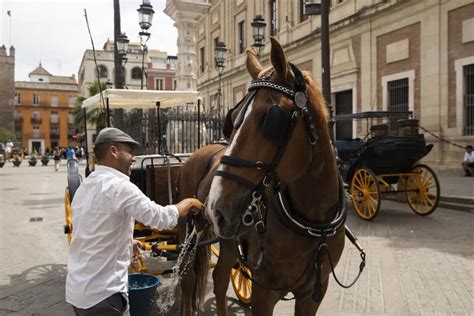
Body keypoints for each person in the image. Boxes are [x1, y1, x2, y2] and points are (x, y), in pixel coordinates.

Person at [65, 127, 204, 315]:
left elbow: (92, 230)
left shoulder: (85, 187)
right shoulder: (120, 187)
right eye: (130, 151)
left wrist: (127, 241)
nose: (134, 157)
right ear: (114, 151)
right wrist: (188, 202)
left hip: (78, 293)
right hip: (104, 295)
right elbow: (161, 218)